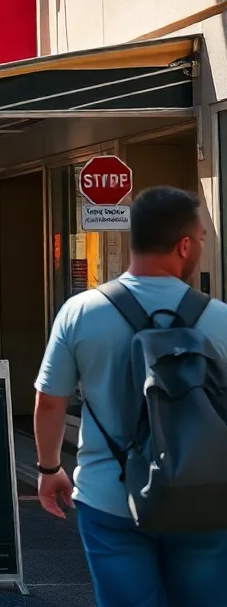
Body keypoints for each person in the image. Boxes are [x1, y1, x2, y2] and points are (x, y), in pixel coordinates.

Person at [34, 187, 227, 606]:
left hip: (109, 496)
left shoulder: (81, 311)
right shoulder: (220, 319)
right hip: (205, 497)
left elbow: (50, 401)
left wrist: (50, 468)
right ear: (184, 245)